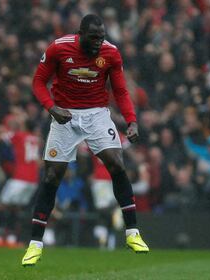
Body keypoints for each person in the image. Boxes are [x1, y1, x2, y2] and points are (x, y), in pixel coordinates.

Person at [22, 14, 149, 267]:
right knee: (51, 177)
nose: (97, 44)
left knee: (116, 164)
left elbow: (121, 90)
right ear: (80, 34)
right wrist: (51, 107)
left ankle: (132, 233)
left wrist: (131, 120)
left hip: (97, 114)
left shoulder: (110, 53)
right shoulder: (59, 47)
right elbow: (37, 82)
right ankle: (35, 245)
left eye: (101, 38)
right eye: (93, 38)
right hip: (64, 115)